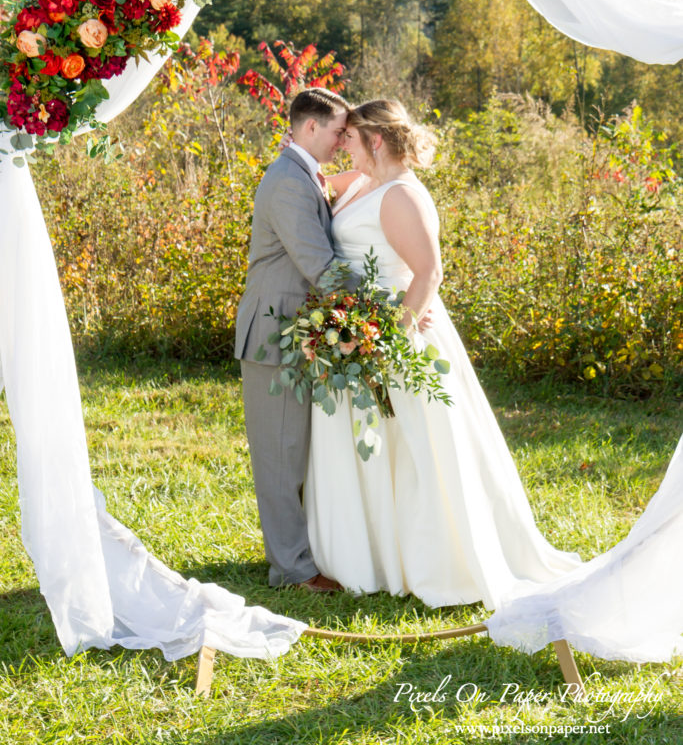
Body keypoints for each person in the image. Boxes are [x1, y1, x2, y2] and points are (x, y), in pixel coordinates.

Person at [305, 100, 581, 608]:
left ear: (377, 140)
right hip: (355, 326)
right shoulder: (365, 182)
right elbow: (313, 183)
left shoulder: (403, 196)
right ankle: (362, 553)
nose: (342, 144)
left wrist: (383, 340)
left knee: (413, 451)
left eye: (350, 137)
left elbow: (429, 273)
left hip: (392, 333)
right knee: (368, 447)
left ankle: (424, 560)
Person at [235, 88, 349, 591]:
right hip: (272, 332)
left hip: (293, 328)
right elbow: (319, 263)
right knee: (280, 452)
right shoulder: (287, 182)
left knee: (294, 448)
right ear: (310, 128)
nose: (343, 141)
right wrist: (387, 302)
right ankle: (291, 569)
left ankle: (299, 552)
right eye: (338, 131)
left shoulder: (302, 174)